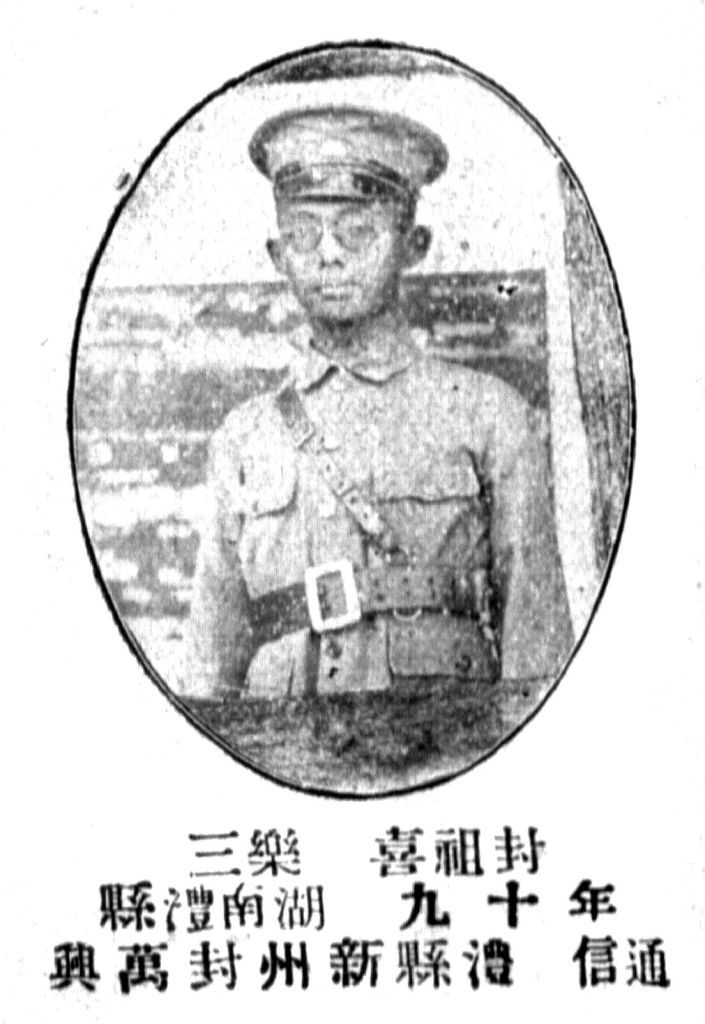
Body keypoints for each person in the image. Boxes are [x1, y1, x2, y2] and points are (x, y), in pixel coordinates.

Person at [179, 105, 573, 732]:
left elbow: (536, 643)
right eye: (303, 234)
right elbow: (210, 661)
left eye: (358, 231)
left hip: (441, 743)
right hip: (284, 750)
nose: (329, 255)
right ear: (277, 255)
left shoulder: (488, 414)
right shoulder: (243, 438)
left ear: (414, 246)